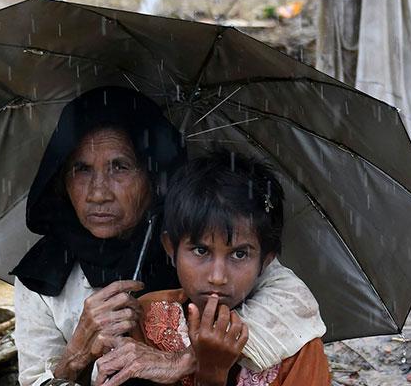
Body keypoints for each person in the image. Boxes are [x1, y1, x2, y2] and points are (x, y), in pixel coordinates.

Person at [12, 87, 326, 386]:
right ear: (61, 178)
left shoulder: (197, 233)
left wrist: (186, 360)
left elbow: (293, 303)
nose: (97, 193)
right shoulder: (44, 274)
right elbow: (35, 377)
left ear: (152, 175)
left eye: (119, 167)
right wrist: (77, 353)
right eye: (81, 169)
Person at [99, 150, 330, 386]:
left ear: (266, 260)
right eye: (201, 251)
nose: (218, 277)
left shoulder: (295, 347)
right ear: (171, 248)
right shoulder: (149, 318)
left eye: (239, 254)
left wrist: (211, 374)